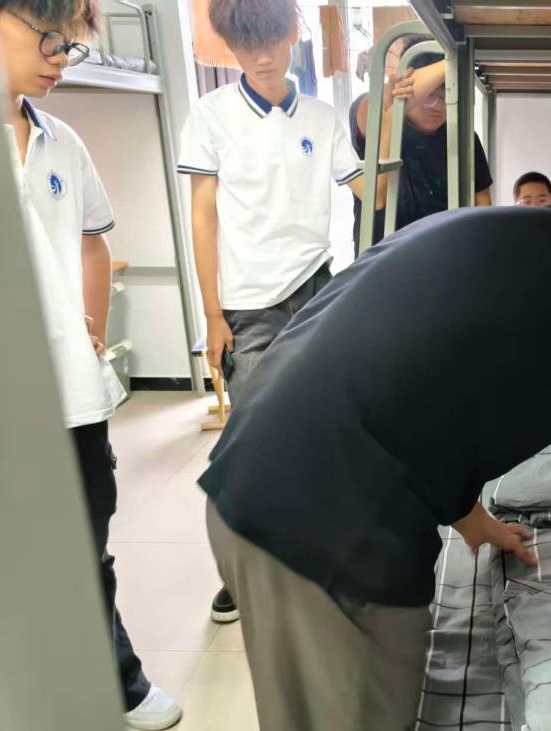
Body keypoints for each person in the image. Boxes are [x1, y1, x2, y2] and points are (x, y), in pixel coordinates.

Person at [200, 183, 551, 731]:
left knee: (378, 711)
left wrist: (474, 519)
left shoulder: (509, 234)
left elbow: (433, 386)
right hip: (315, 520)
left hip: (257, 469)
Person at [0, 0, 181, 731]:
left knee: (86, 544)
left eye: (69, 48)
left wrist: (92, 330)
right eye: (49, 39)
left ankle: (117, 681)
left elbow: (92, 241)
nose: (59, 61)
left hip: (70, 393)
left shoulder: (61, 142)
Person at [177, 0, 359, 624]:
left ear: (292, 37)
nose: (260, 58)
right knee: (250, 441)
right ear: (231, 47)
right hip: (247, 303)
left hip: (316, 288)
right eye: (246, 46)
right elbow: (202, 215)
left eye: (272, 42)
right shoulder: (211, 115)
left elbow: (368, 188)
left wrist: (386, 116)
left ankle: (314, 556)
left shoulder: (322, 117)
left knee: (321, 428)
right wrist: (212, 314)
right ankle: (241, 573)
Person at [349, 34, 493, 253]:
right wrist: (456, 59)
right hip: (383, 262)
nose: (439, 106)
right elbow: (380, 106)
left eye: (446, 96)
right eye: (430, 95)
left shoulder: (464, 138)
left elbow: (482, 204)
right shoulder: (382, 119)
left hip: (443, 259)